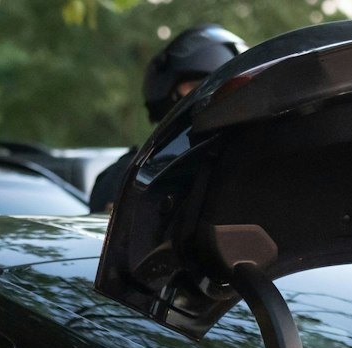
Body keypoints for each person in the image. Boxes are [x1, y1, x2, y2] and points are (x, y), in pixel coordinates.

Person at [89, 23, 247, 213]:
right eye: (197, 85)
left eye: (225, 87)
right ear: (167, 90)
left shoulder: (252, 167)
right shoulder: (127, 177)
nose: (211, 95)